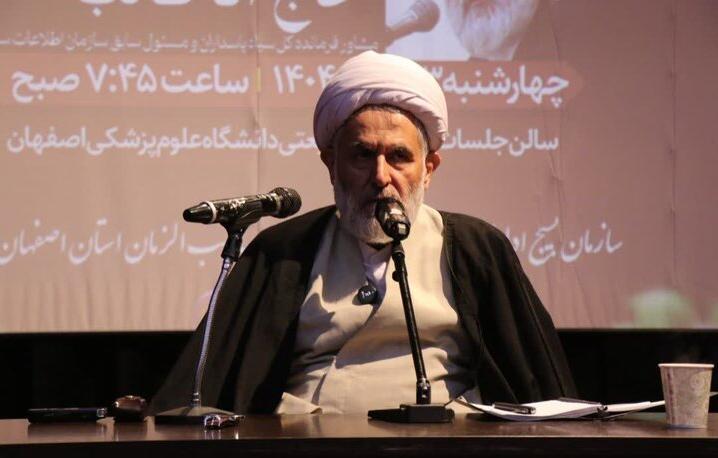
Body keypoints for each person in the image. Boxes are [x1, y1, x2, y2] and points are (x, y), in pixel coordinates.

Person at [149, 51, 576, 415]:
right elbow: (216, 379)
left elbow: (533, 376)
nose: (381, 176)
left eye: (399, 157)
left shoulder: (475, 247)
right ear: (331, 164)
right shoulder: (283, 251)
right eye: (362, 155)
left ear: (429, 169)